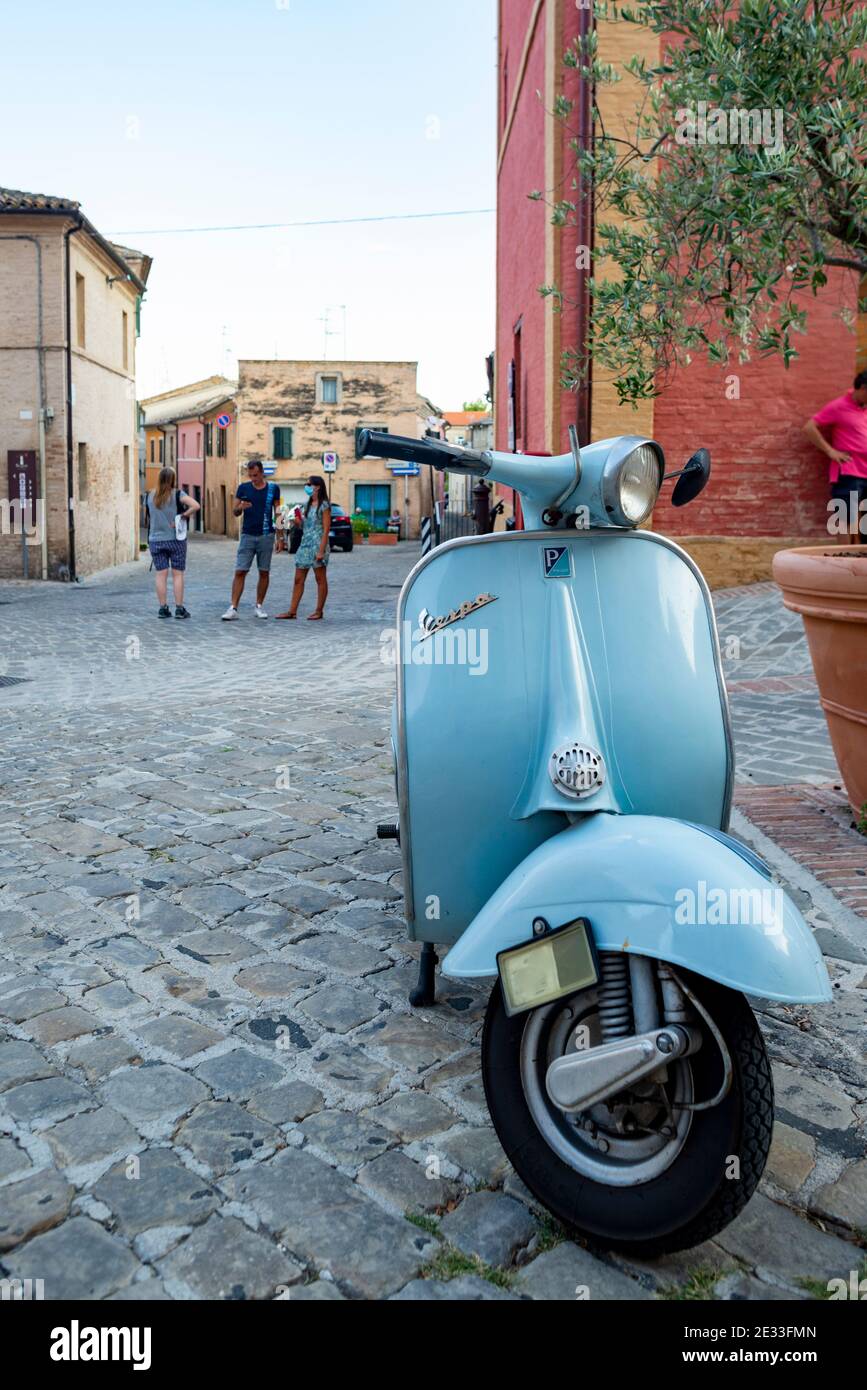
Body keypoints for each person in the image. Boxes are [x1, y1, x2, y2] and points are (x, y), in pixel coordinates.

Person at [804, 371, 867, 543]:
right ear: (863, 388)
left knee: (863, 520)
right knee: (846, 517)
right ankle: (844, 560)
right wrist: (831, 451)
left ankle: (860, 562)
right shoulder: (839, 406)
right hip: (849, 471)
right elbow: (810, 427)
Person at [222, 460, 281, 620]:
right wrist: (240, 507)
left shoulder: (273, 489)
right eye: (250, 475)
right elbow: (234, 512)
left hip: (266, 535)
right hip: (247, 535)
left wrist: (280, 536)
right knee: (240, 571)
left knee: (264, 572)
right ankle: (233, 607)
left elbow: (278, 512)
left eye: (255, 475)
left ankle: (259, 606)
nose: (253, 478)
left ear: (262, 473)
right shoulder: (244, 488)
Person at [275, 475, 332, 621]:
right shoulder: (306, 505)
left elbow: (326, 529)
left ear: (317, 486)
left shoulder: (324, 505)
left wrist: (321, 550)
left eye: (309, 484)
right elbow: (305, 526)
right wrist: (298, 522)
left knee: (320, 579)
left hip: (318, 545)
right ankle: (292, 611)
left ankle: (319, 611)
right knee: (298, 579)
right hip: (305, 545)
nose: (306, 486)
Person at [146, 467, 199, 619]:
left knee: (160, 575)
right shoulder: (177, 494)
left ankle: (163, 608)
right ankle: (179, 609)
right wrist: (183, 516)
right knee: (177, 574)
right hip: (176, 540)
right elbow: (196, 505)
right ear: (173, 479)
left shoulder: (149, 495)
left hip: (155, 540)